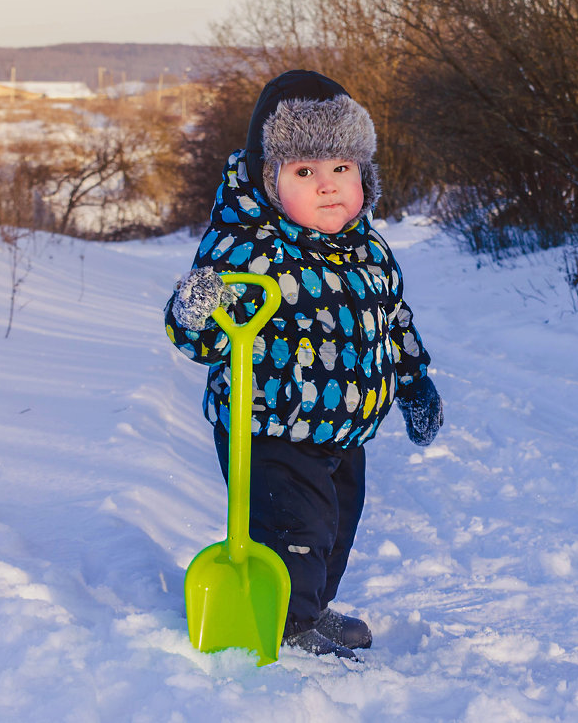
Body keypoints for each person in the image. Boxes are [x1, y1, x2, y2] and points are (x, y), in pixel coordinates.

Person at [163, 70, 444, 661]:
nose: (327, 186)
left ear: (364, 174)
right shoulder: (249, 245)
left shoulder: (370, 249)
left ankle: (305, 607)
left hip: (345, 430)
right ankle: (289, 624)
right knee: (297, 533)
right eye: (303, 172)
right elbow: (201, 339)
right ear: (269, 179)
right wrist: (196, 308)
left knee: (335, 533)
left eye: (341, 168)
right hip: (268, 428)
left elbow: (395, 321)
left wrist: (416, 384)